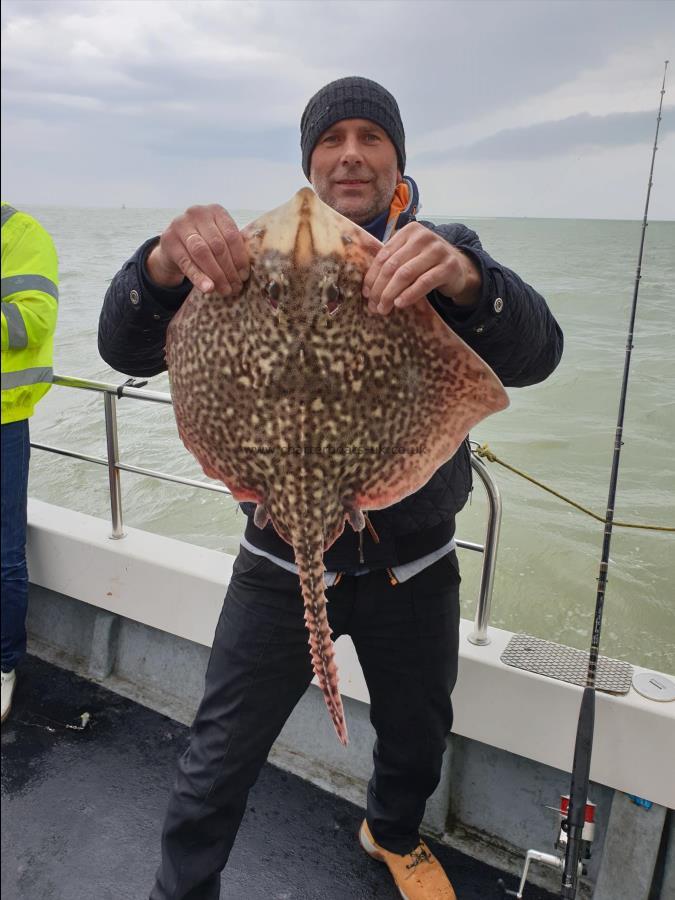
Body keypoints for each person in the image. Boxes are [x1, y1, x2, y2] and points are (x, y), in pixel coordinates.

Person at [98, 77, 563, 900]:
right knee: (218, 753)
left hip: (413, 566)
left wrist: (466, 279)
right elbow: (126, 348)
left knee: (416, 739)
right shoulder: (242, 260)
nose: (351, 152)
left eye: (370, 137)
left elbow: (535, 354)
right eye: (332, 139)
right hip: (276, 559)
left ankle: (389, 833)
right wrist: (162, 265)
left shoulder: (438, 247)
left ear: (396, 159)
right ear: (310, 161)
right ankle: (180, 889)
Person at [1, 202, 59, 723]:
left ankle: (2, 667)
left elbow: (33, 321)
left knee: (4, 554)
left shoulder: (21, 234)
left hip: (3, 421)